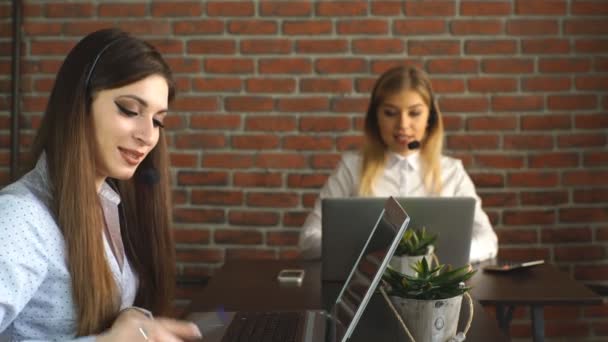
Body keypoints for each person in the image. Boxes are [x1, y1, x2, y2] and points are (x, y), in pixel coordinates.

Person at [0, 29, 202, 341]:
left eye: (158, 120)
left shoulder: (108, 201)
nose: (148, 136)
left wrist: (133, 319)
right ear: (78, 104)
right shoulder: (20, 218)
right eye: (130, 110)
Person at [298, 65, 498, 263]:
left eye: (414, 113)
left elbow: (488, 240)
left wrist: (440, 256)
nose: (403, 125)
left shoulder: (451, 172)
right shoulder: (352, 168)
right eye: (390, 113)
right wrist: (363, 252)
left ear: (430, 118)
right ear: (376, 118)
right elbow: (308, 239)